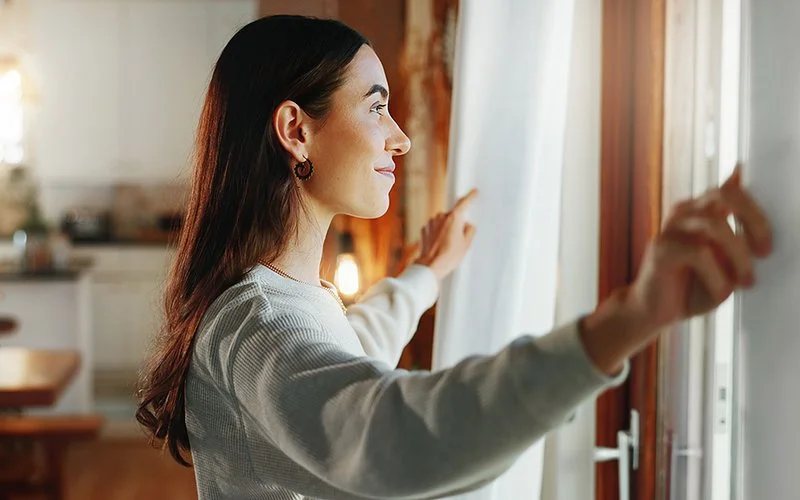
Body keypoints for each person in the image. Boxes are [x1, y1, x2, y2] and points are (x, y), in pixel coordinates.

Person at [136, 14, 773, 500]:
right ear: (296, 130)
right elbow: (385, 435)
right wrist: (629, 318)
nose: (401, 137)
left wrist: (424, 274)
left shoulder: (283, 302)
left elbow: (348, 346)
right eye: (377, 106)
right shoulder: (255, 321)